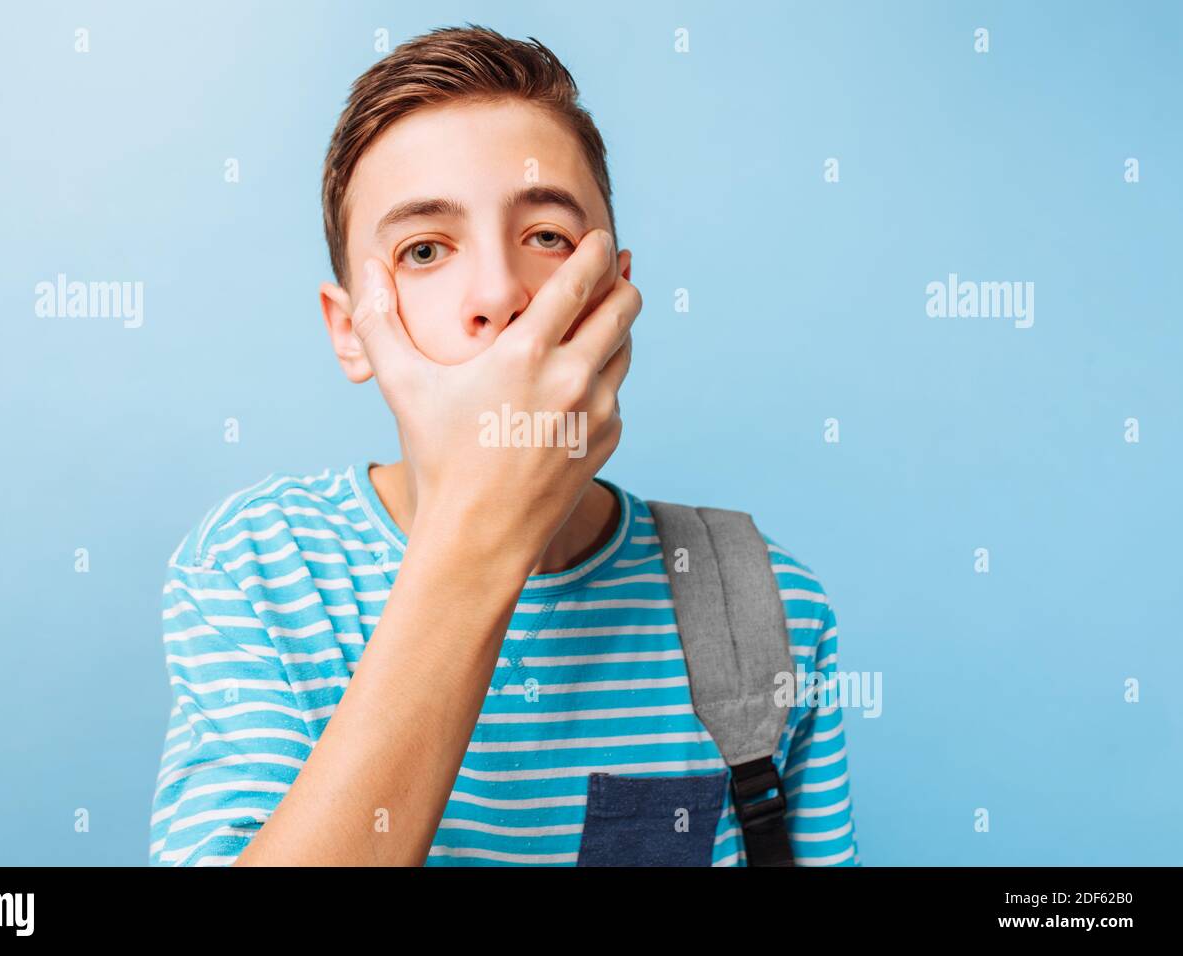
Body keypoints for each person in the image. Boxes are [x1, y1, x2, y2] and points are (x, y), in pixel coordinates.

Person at [148, 23, 859, 867]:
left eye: (548, 237)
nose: (498, 293)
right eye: (424, 250)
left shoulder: (763, 602)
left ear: (615, 294)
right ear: (352, 332)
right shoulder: (258, 571)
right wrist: (483, 532)